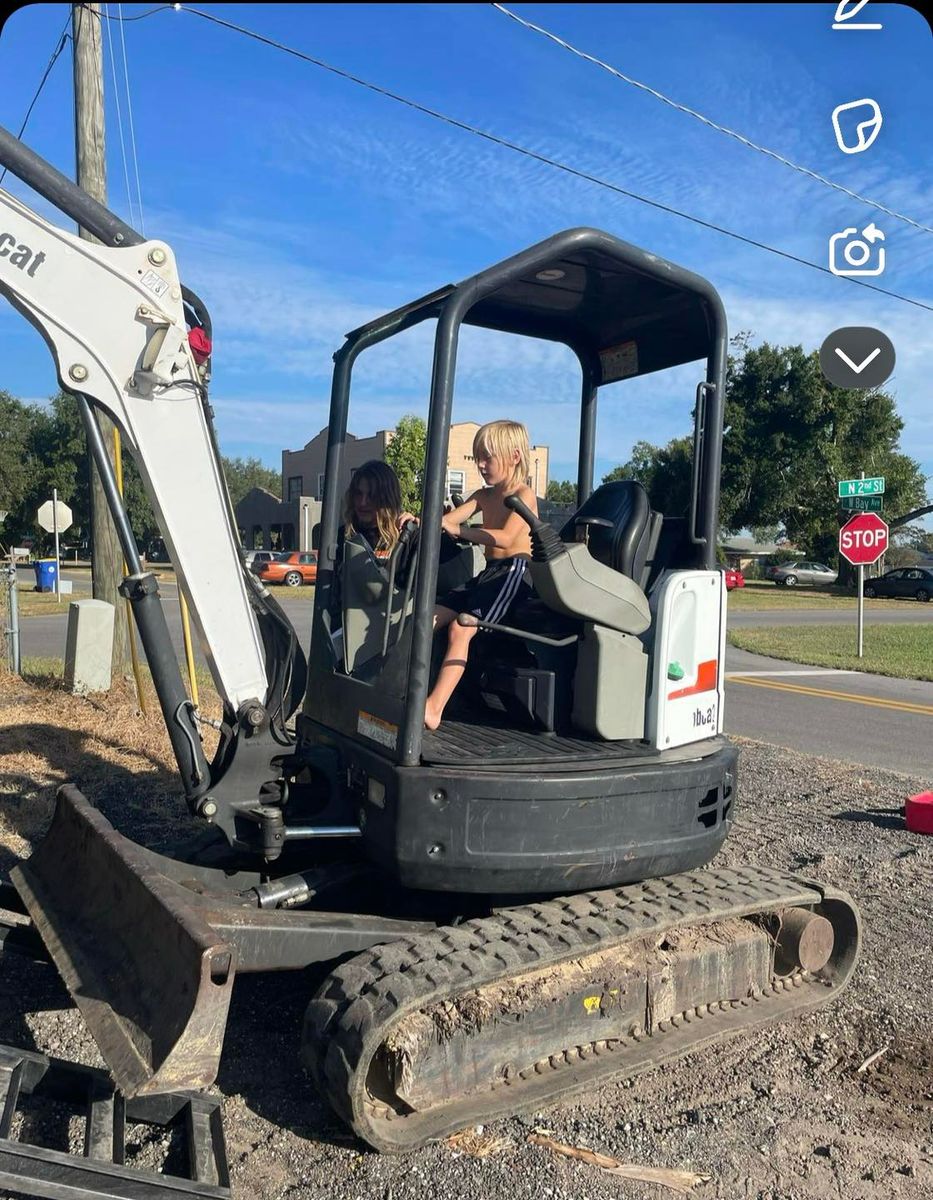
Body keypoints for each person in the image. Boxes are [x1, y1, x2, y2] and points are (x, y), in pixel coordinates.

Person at [424, 420, 538, 731]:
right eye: (478, 458)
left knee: (462, 628)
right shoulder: (483, 496)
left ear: (514, 456)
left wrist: (460, 530)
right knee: (427, 617)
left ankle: (434, 708)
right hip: (488, 574)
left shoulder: (523, 495)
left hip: (514, 575)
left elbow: (503, 537)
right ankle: (406, 689)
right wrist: (420, 520)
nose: (481, 465)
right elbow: (446, 520)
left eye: (487, 457)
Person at [329, 461, 419, 634]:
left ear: (387, 498)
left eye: (371, 496)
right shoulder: (343, 536)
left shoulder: (407, 536)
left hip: (389, 637)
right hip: (345, 634)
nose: (363, 502)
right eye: (358, 494)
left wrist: (426, 526)